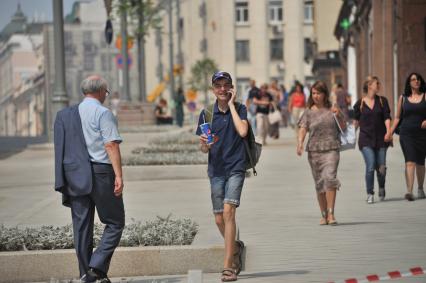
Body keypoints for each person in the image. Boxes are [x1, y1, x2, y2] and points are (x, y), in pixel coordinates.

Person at [54, 75, 125, 283]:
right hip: (102, 173)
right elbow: (111, 145)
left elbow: (60, 150)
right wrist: (119, 175)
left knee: (82, 227)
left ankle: (87, 274)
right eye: (106, 92)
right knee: (115, 222)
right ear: (102, 92)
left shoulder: (64, 115)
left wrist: (62, 179)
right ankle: (97, 266)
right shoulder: (103, 113)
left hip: (74, 176)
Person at [196, 71, 247, 282]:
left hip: (236, 167)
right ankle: (236, 248)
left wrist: (232, 105)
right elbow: (203, 149)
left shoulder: (241, 108)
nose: (223, 89)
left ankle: (228, 266)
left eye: (226, 85)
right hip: (216, 171)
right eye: (218, 86)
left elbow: (243, 131)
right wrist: (204, 144)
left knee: (228, 213)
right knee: (218, 218)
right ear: (213, 89)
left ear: (232, 87)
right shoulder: (206, 113)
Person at [297, 81, 345, 225]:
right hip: (314, 151)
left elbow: (343, 126)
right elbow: (303, 128)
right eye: (313, 93)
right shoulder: (308, 112)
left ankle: (331, 214)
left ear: (325, 94)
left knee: (330, 179)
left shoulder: (332, 109)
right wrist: (300, 143)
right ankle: (323, 214)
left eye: (318, 93)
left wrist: (340, 114)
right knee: (320, 183)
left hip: (332, 149)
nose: (316, 96)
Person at [353, 76, 392, 203]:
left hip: (381, 139)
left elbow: (387, 117)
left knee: (381, 168)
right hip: (365, 139)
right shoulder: (360, 103)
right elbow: (356, 122)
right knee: (370, 166)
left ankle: (381, 186)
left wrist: (389, 132)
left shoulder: (382, 101)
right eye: (377, 83)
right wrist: (350, 135)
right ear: (369, 86)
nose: (379, 85)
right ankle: (370, 193)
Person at [390, 72, 426, 201]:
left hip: (422, 135)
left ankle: (420, 188)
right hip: (406, 134)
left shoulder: (425, 96)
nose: (416, 81)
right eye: (413, 79)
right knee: (410, 162)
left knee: (421, 163)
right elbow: (397, 117)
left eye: (418, 79)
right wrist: (389, 133)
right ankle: (409, 191)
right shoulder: (403, 98)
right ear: (409, 82)